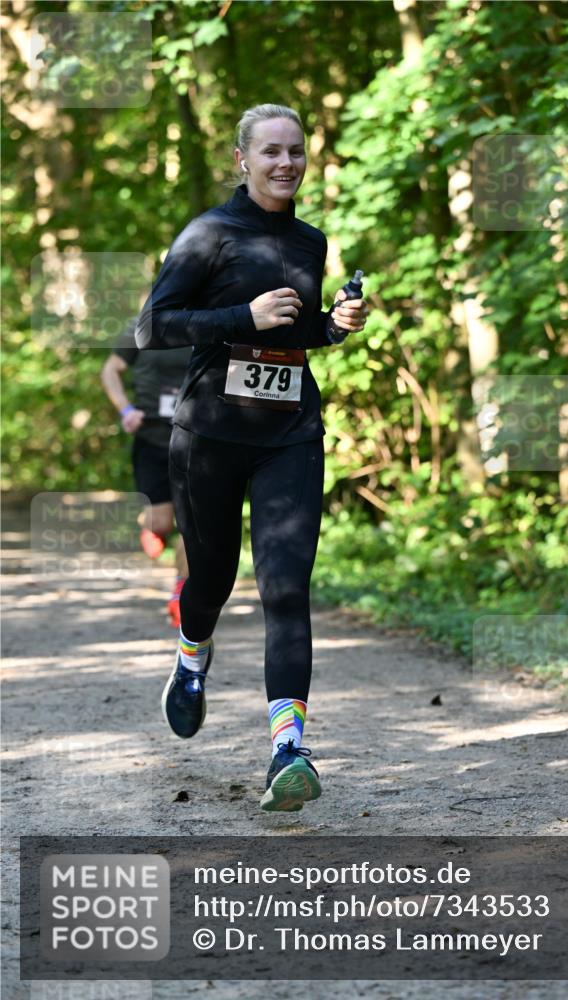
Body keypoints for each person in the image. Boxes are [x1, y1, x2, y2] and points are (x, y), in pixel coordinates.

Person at [135, 103, 369, 812]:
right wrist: (241, 318)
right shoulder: (209, 233)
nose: (284, 164)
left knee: (287, 588)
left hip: (290, 435)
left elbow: (293, 337)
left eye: (295, 152)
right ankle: (190, 653)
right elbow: (153, 326)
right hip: (208, 438)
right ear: (242, 159)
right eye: (270, 152)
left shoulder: (310, 241)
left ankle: (287, 751)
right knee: (211, 581)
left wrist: (333, 326)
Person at [101, 323, 192, 627]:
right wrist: (126, 410)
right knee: (161, 520)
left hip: (197, 440)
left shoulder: (214, 322)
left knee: (192, 523)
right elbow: (111, 370)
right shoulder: (142, 328)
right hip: (151, 438)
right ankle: (152, 528)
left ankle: (181, 593)